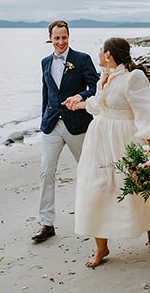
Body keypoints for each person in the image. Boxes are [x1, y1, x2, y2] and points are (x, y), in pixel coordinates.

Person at [66, 37, 150, 267]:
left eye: (100, 50)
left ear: (108, 54)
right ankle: (101, 248)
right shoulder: (104, 78)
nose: (98, 54)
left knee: (135, 187)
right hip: (99, 139)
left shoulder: (132, 78)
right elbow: (99, 105)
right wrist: (77, 104)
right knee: (94, 187)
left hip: (125, 139)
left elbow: (148, 109)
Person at [32, 20, 100, 243]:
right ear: (50, 38)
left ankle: (99, 215)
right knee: (46, 172)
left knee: (89, 170)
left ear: (69, 37)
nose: (60, 42)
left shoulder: (82, 59)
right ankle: (46, 223)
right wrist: (44, 119)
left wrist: (81, 96)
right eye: (56, 38)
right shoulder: (44, 62)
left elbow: (96, 88)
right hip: (52, 125)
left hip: (77, 124)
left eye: (64, 37)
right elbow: (46, 94)